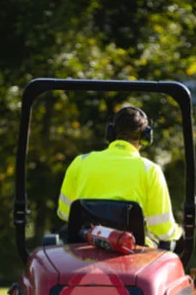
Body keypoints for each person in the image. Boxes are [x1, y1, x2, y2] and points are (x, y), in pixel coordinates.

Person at [57, 106, 183, 247]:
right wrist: (178, 231)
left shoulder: (80, 162)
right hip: (132, 252)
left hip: (84, 247)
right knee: (169, 244)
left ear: (110, 133)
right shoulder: (150, 170)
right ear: (145, 137)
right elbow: (162, 229)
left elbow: (65, 213)